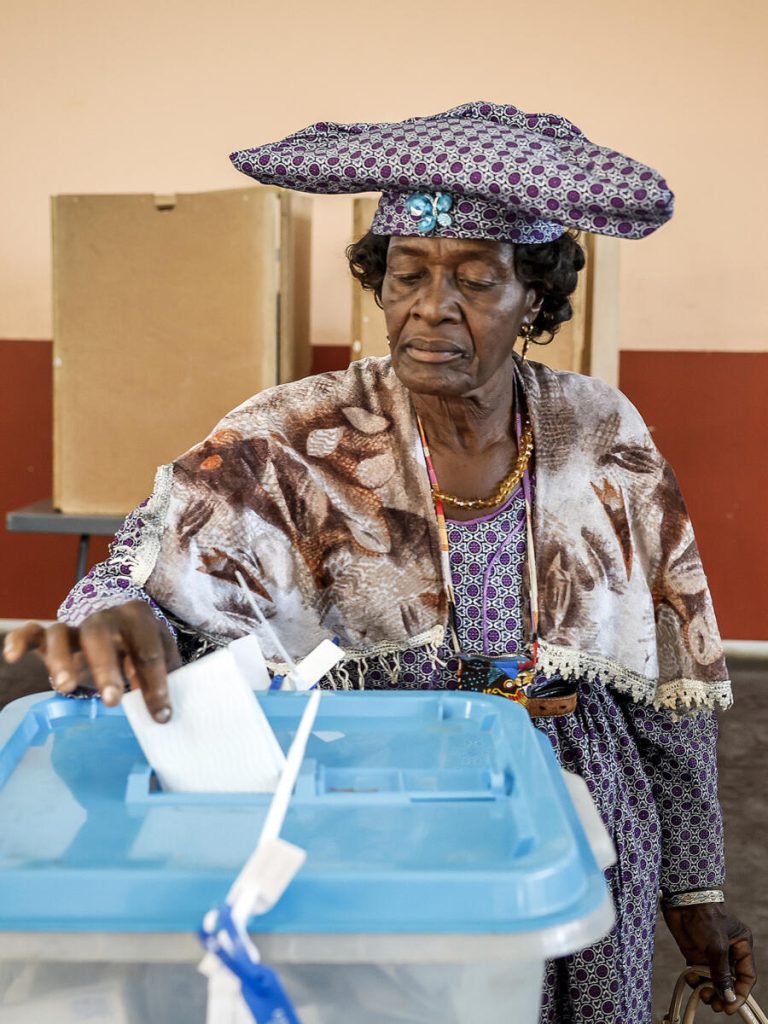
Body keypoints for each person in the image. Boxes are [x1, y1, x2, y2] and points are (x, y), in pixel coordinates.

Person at [4, 101, 756, 1022]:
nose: (432, 308)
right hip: (379, 810)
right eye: (407, 275)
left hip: (580, 821)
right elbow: (157, 562)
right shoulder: (298, 433)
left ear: (537, 301)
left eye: (476, 281)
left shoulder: (602, 434)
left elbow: (664, 677)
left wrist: (694, 888)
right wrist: (118, 611)